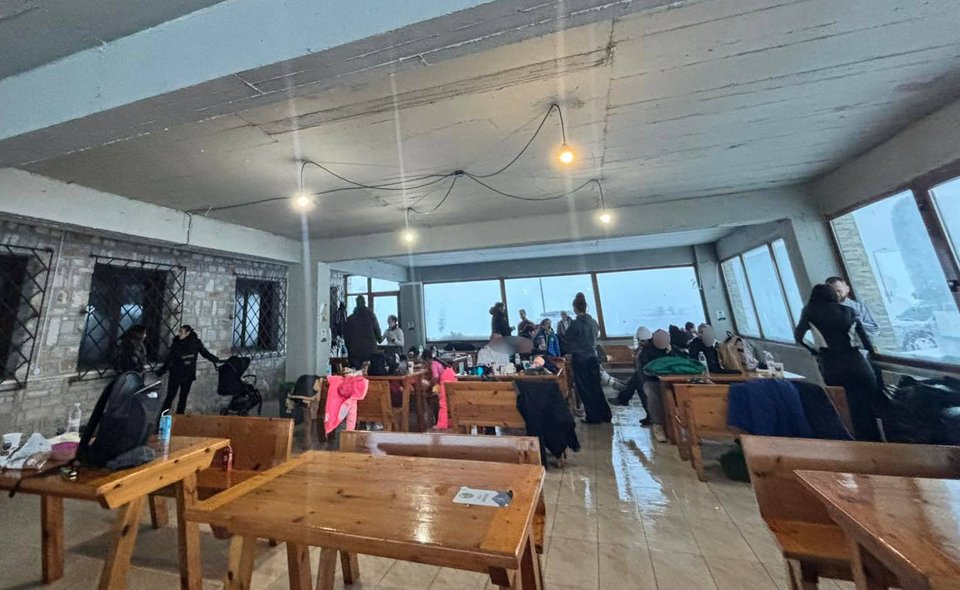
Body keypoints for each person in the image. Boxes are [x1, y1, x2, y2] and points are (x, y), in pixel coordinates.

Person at [795, 284, 882, 441]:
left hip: (833, 363)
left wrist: (814, 350)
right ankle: (874, 442)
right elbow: (865, 340)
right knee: (867, 406)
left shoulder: (810, 311)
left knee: (842, 405)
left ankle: (848, 440)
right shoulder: (849, 311)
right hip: (858, 361)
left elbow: (799, 337)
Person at [563, 292, 611, 424]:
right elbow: (596, 333)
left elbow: (567, 337)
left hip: (580, 358)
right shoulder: (593, 322)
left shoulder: (576, 323)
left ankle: (593, 416)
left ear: (575, 308)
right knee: (596, 386)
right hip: (593, 356)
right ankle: (605, 414)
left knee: (584, 388)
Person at [156, 325, 220, 414]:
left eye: (181, 332)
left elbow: (205, 353)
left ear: (187, 333)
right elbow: (170, 359)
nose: (179, 334)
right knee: (170, 396)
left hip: (187, 374)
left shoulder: (195, 343)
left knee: (183, 397)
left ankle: (180, 416)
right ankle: (163, 417)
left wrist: (215, 359)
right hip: (176, 373)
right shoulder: (177, 343)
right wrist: (162, 371)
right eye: (179, 331)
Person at [343, 295, 382, 369]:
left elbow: (346, 336)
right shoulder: (370, 316)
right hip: (370, 352)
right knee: (371, 371)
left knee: (355, 373)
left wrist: (349, 348)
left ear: (356, 303)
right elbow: (377, 331)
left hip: (354, 352)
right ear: (364, 303)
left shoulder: (350, 319)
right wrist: (379, 339)